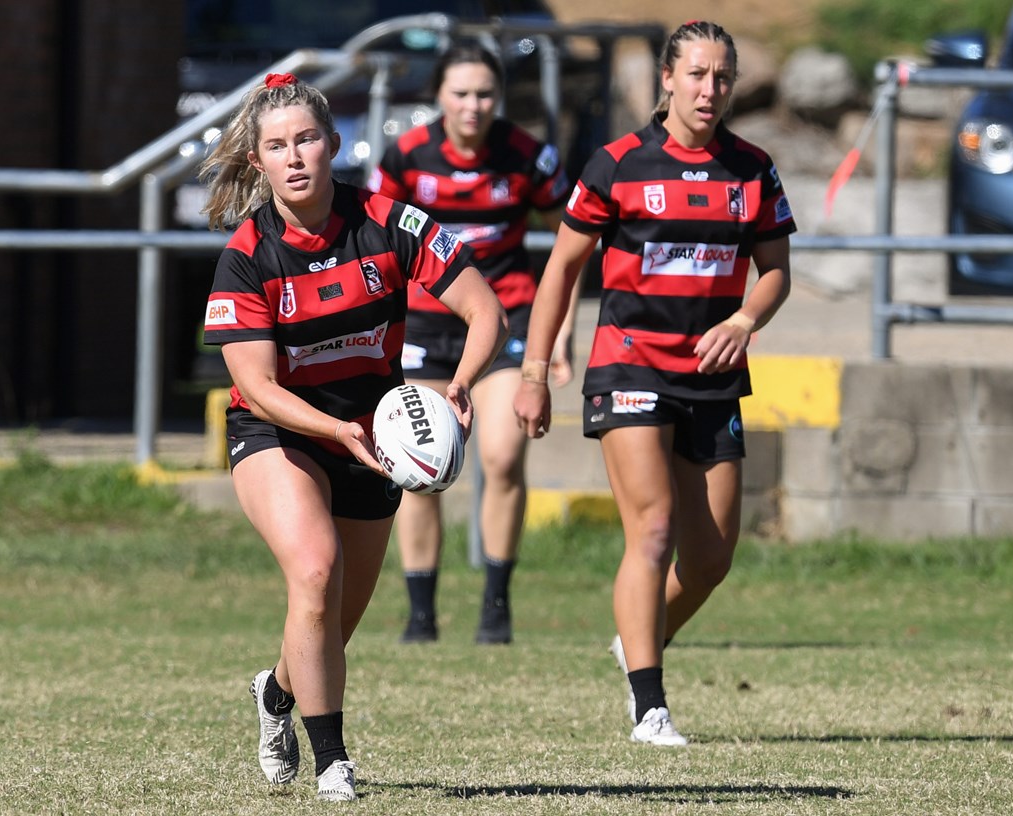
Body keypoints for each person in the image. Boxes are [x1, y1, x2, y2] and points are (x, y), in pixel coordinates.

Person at [200, 73, 506, 800]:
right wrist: (338, 428)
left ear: (334, 144)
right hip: (279, 429)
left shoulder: (390, 224)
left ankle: (276, 693)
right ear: (258, 162)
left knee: (333, 619)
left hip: (376, 434)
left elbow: (486, 311)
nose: (295, 156)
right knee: (314, 569)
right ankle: (333, 757)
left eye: (307, 139)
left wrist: (459, 388)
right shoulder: (246, 256)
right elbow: (262, 385)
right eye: (277, 146)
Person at [514, 21, 795, 745]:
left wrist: (743, 321)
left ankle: (636, 639)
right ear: (666, 80)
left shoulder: (753, 169)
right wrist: (535, 371)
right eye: (697, 74)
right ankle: (651, 705)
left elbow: (776, 275)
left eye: (723, 77)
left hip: (714, 375)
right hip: (629, 364)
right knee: (656, 528)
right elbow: (561, 272)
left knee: (712, 556)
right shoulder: (616, 164)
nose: (711, 89)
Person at [369, 43, 577, 645]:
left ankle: (495, 605)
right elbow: (377, 240)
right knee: (416, 465)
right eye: (460, 92)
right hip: (424, 328)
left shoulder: (529, 156)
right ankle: (421, 612)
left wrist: (562, 328)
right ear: (438, 95)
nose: (473, 105)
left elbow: (572, 242)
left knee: (503, 456)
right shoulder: (406, 157)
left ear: (500, 98)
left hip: (503, 321)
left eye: (485, 93)